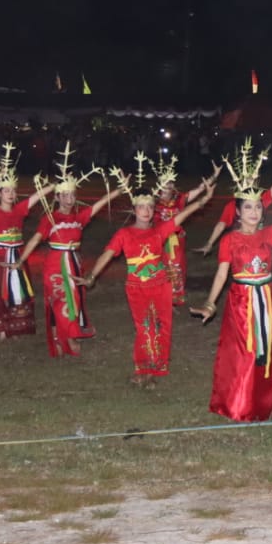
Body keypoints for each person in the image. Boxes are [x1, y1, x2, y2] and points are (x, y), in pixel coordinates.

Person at [191, 147, 272, 421]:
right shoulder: (229, 240)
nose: (255, 211)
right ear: (237, 211)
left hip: (268, 301)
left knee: (266, 354)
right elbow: (223, 274)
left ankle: (262, 404)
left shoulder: (268, 235)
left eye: (258, 206)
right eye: (248, 207)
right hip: (241, 302)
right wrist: (211, 303)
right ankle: (238, 405)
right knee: (245, 353)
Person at [84, 154, 216, 387]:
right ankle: (142, 367)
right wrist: (92, 275)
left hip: (161, 285)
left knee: (162, 326)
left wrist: (204, 200)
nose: (145, 210)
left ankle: (156, 369)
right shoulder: (124, 234)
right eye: (141, 206)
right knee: (144, 326)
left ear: (154, 209)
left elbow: (183, 215)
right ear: (134, 208)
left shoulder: (160, 230)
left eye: (149, 206)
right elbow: (107, 254)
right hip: (137, 288)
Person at [11, 143, 119, 357]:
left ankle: (66, 333)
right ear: (57, 197)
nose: (70, 199)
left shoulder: (79, 217)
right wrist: (20, 260)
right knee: (60, 298)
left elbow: (98, 205)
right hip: (55, 263)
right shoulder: (50, 219)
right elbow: (34, 240)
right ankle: (66, 336)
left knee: (75, 298)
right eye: (65, 196)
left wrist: (117, 191)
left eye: (72, 195)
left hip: (74, 262)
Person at [0, 144, 57, 340]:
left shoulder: (20, 209)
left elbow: (37, 196)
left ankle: (16, 326)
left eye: (12, 190)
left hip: (17, 256)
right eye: (5, 190)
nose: (10, 193)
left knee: (18, 290)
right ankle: (0, 327)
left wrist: (52, 186)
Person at [193, 146, 272, 256]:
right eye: (247, 180)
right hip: (240, 245)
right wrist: (209, 243)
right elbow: (221, 225)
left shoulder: (262, 199)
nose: (250, 183)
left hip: (261, 242)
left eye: (253, 179)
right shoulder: (233, 205)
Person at [153, 153, 220, 307]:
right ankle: (162, 297)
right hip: (161, 242)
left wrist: (214, 176)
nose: (167, 188)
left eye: (170, 184)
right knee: (162, 268)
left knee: (178, 267)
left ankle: (175, 298)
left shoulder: (180, 200)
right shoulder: (153, 203)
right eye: (164, 184)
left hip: (177, 241)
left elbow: (200, 188)